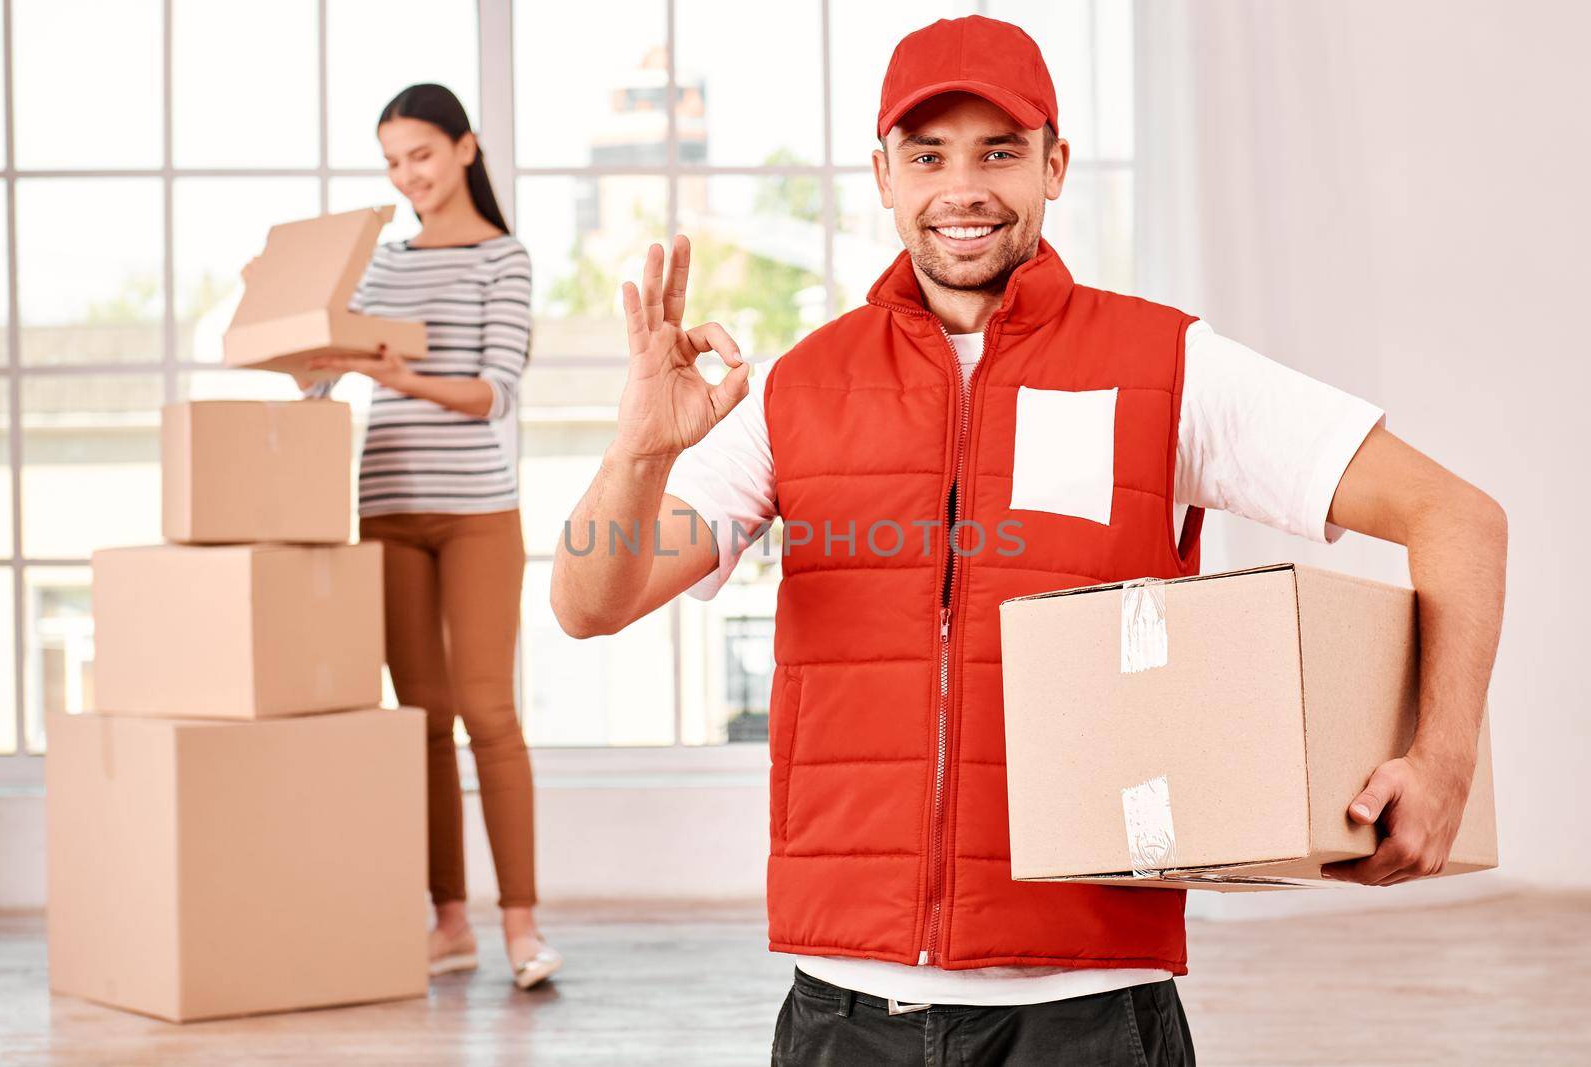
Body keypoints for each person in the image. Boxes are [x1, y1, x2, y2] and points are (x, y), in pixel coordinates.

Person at [552, 16, 1506, 1065]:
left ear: (1055, 163)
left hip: (1090, 1005)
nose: (962, 188)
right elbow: (590, 603)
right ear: (882, 175)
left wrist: (1444, 755)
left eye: (998, 151)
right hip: (844, 1008)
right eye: (927, 155)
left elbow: (1456, 517)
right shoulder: (796, 390)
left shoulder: (1168, 367)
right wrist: (638, 453)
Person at [299, 83, 559, 991]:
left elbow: (495, 392)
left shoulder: (504, 257)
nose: (408, 176)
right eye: (393, 162)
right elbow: (324, 381)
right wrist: (314, 358)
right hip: (388, 508)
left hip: (477, 508)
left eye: (420, 154)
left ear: (464, 148)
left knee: (488, 710)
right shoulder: (382, 266)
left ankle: (521, 926)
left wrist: (399, 374)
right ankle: (448, 921)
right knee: (422, 721)